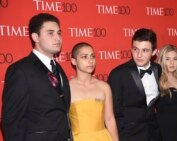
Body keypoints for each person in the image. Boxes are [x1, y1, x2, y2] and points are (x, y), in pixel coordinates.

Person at [1, 13, 72, 141]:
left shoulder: (58, 68)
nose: (57, 38)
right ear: (35, 37)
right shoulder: (20, 70)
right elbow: (11, 121)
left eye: (59, 33)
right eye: (50, 33)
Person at [107, 28, 162, 141]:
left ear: (154, 52)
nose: (139, 55)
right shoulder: (118, 74)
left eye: (145, 50)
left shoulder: (157, 69)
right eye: (135, 49)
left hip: (153, 133)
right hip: (129, 135)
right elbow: (113, 112)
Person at [69, 42, 119, 141]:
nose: (90, 60)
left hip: (103, 138)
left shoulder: (104, 87)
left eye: (92, 56)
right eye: (84, 57)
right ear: (74, 61)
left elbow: (109, 119)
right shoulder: (67, 88)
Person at [155, 44, 177, 141]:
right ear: (162, 60)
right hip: (166, 133)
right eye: (167, 59)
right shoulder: (156, 81)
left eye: (175, 59)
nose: (172, 62)